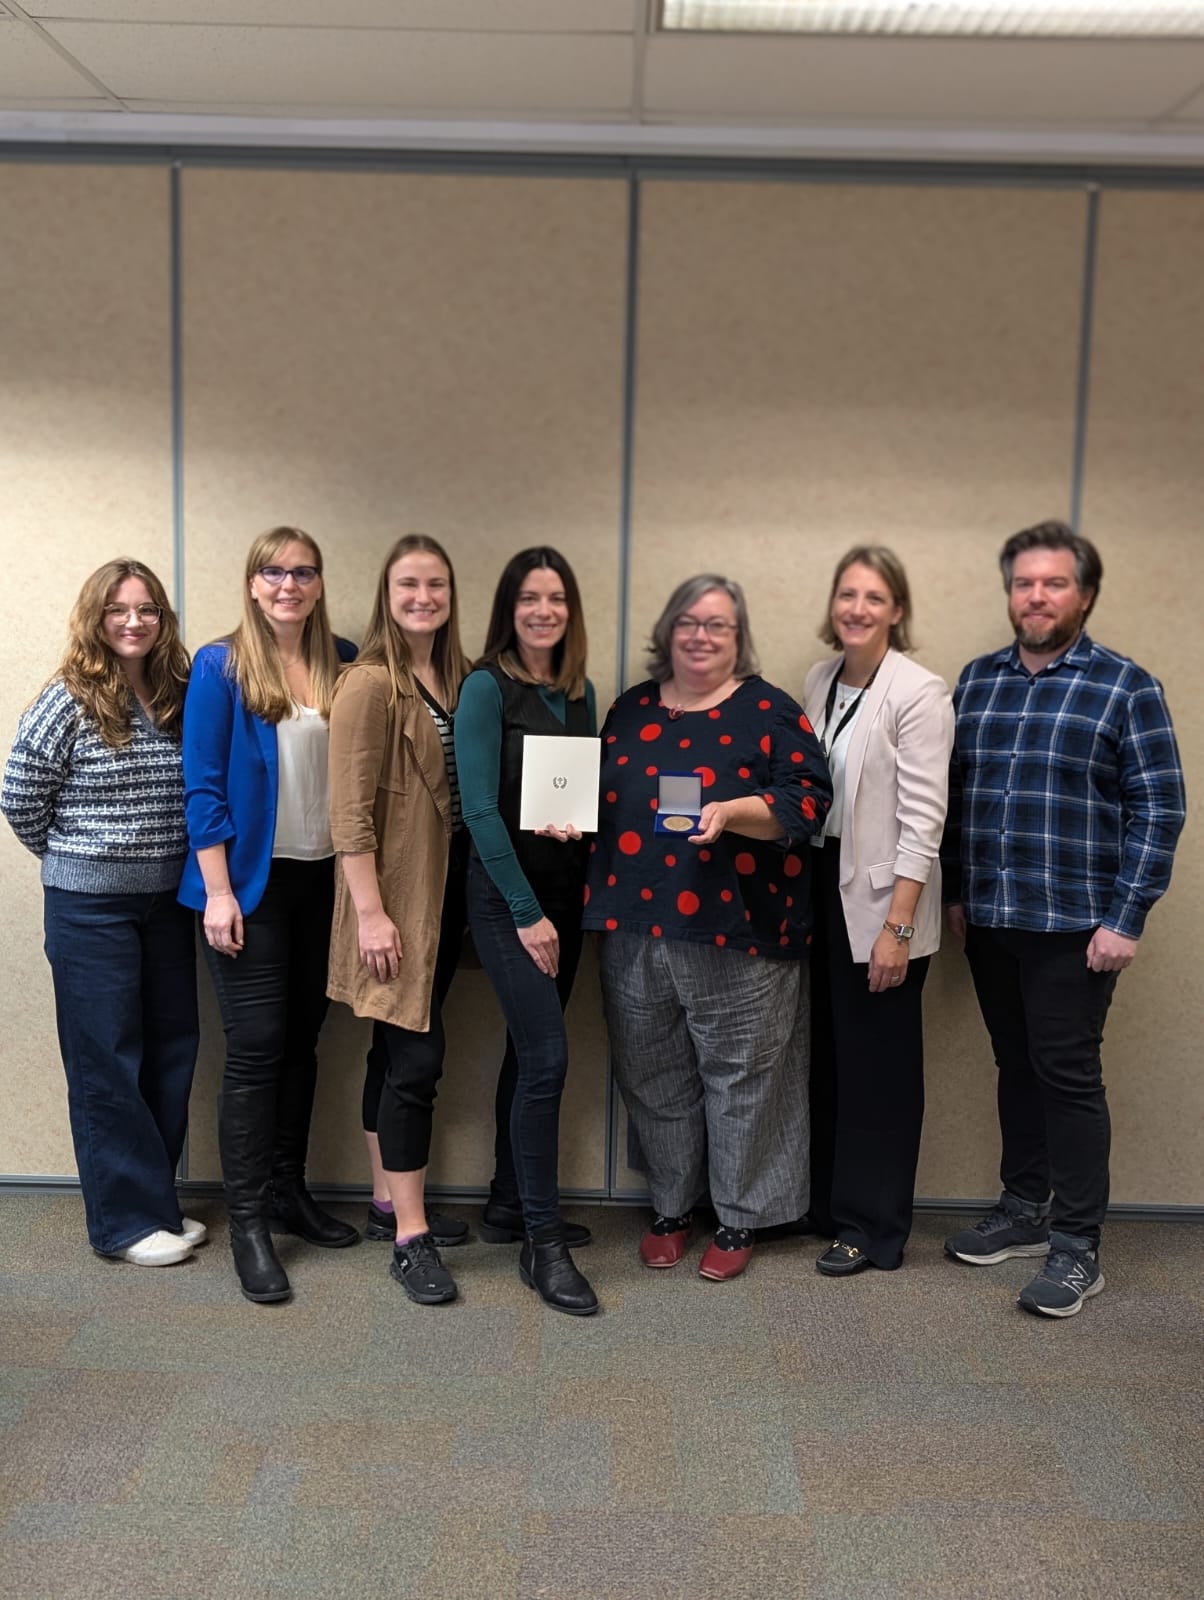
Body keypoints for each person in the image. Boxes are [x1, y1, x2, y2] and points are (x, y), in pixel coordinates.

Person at [942, 520, 1185, 1318]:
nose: (1035, 596)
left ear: (1084, 593)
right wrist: (952, 895)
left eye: (1052, 583)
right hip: (992, 921)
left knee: (1068, 1080)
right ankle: (1024, 1208)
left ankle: (1078, 1246)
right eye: (1023, 583)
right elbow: (952, 802)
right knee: (1016, 1068)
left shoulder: (1125, 686)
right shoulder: (976, 682)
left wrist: (1127, 917)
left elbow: (1160, 808)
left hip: (1077, 928)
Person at [583, 574, 832, 1282]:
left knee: (743, 1079)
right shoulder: (628, 711)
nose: (701, 635)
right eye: (689, 621)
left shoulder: (769, 710)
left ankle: (739, 1216)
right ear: (667, 631)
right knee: (652, 1073)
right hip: (636, 924)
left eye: (718, 625)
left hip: (740, 927)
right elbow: (597, 796)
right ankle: (672, 1207)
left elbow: (808, 802)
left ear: (737, 636)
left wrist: (732, 813)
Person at [1, 559, 202, 1266]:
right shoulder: (69, 697)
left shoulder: (176, 694)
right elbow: (21, 799)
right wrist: (78, 865)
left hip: (169, 902)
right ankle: (122, 1224)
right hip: (90, 909)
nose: (134, 621)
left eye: (147, 609)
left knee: (173, 1049)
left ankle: (156, 1206)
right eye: (119, 609)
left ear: (162, 619)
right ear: (96, 617)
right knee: (106, 1060)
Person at [180, 527, 359, 1304]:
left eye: (303, 571)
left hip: (324, 881)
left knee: (303, 1042)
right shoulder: (220, 666)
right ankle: (249, 1221)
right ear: (252, 583)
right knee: (254, 1049)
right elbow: (203, 786)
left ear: (318, 583)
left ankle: (288, 1190)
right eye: (273, 571)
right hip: (248, 886)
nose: (289, 583)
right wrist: (217, 891)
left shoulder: (343, 659)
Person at [327, 534, 472, 1305]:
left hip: (444, 902)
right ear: (387, 593)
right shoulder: (368, 683)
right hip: (392, 907)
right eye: (409, 584)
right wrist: (372, 916)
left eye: (437, 585)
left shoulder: (456, 677)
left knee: (392, 1050)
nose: (423, 597)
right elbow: (347, 814)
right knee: (417, 1063)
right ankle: (411, 1241)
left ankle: (388, 1204)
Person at [455, 547, 598, 1316]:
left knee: (525, 1051)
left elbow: (576, 790)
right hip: (506, 898)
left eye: (556, 599)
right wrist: (525, 913)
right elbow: (479, 809)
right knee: (547, 1058)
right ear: (508, 608)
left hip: (564, 891)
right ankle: (541, 1246)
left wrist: (575, 831)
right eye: (529, 599)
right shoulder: (486, 686)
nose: (543, 611)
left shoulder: (579, 693)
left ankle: (510, 1202)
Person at [802, 547, 953, 1277]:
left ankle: (875, 1227)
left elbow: (925, 823)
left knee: (879, 1072)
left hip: (884, 905)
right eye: (847, 594)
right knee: (830, 1059)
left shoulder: (919, 693)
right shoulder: (819, 680)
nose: (857, 608)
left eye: (874, 597)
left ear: (897, 610)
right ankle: (832, 1207)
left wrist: (897, 929)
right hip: (822, 893)